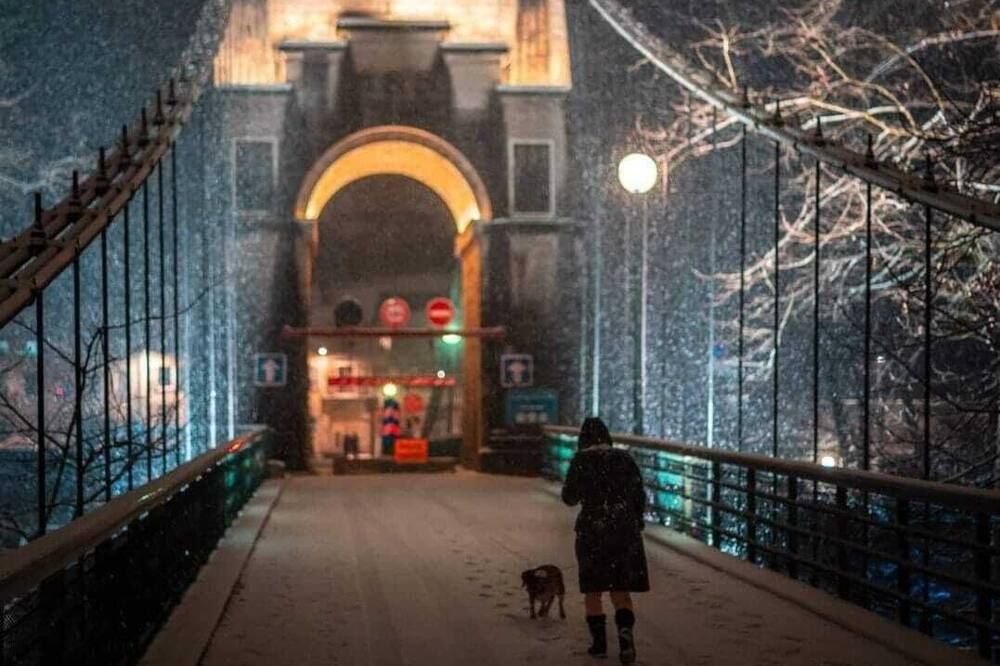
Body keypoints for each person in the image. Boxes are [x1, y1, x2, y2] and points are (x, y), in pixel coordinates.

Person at [562, 417, 649, 664]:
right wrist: (636, 521)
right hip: (623, 528)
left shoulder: (581, 462)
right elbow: (638, 495)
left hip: (593, 529)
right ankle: (625, 634)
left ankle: (599, 643)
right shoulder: (625, 459)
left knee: (593, 589)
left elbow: (569, 497)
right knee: (620, 589)